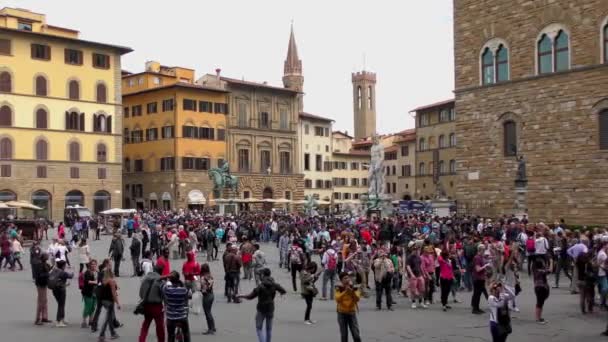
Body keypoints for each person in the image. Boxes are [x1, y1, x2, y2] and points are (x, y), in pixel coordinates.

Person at [238, 268, 286, 342]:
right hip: (270, 308)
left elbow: (250, 297)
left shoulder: (260, 286)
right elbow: (283, 291)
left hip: (261, 309)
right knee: (269, 329)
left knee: (259, 328)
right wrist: (281, 293)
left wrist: (241, 295)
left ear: (263, 275)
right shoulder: (274, 284)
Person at [138, 265, 165, 342]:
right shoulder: (161, 281)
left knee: (146, 325)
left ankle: (141, 340)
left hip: (146, 305)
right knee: (159, 327)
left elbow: (141, 293)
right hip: (157, 306)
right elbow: (163, 295)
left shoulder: (145, 279)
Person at [162, 271, 191, 342]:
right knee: (186, 333)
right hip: (182, 316)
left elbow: (161, 284)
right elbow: (189, 295)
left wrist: (166, 277)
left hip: (171, 317)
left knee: (170, 335)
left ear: (170, 280)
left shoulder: (167, 289)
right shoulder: (183, 290)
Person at [335, 272, 362, 342]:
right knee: (344, 335)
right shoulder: (339, 288)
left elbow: (357, 298)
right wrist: (345, 292)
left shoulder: (354, 287)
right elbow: (337, 299)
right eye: (345, 278)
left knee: (356, 334)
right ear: (341, 280)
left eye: (348, 278)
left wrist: (351, 292)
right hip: (341, 313)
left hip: (351, 313)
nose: (347, 279)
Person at [48, 259, 73, 327]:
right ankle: (59, 321)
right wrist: (71, 271)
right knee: (61, 305)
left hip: (54, 289)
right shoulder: (62, 272)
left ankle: (62, 319)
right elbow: (71, 276)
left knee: (60, 304)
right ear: (63, 266)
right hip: (61, 289)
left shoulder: (54, 270)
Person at [98, 268, 121, 341]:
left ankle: (113, 333)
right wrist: (118, 303)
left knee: (110, 317)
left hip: (103, 300)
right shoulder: (111, 281)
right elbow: (114, 293)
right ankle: (101, 335)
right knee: (107, 318)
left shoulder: (104, 280)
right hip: (109, 301)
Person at [406, 242, 427, 309]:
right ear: (412, 250)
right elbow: (408, 266)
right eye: (415, 250)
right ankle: (413, 302)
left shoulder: (418, 257)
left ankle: (421, 302)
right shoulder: (409, 257)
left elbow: (420, 266)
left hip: (419, 274)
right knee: (413, 290)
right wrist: (411, 274)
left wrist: (423, 273)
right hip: (413, 275)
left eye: (417, 250)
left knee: (422, 289)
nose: (416, 251)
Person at [472, 244, 490, 314]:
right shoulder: (477, 258)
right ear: (480, 250)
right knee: (477, 294)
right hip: (477, 278)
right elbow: (478, 269)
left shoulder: (480, 257)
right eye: (483, 250)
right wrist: (485, 266)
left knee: (478, 294)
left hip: (481, 278)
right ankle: (475, 309)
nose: (484, 251)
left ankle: (477, 308)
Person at [34, 253, 51, 325]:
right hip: (40, 284)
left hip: (44, 284)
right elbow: (40, 275)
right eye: (47, 256)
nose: (48, 257)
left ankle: (44, 317)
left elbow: (48, 269)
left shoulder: (45, 264)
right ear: (44, 258)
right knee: (41, 301)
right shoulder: (39, 265)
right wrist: (48, 274)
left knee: (45, 300)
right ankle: (37, 319)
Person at [200, 263, 216, 335]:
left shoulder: (203, 278)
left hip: (206, 296)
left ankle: (210, 329)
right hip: (211, 295)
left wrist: (200, 290)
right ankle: (213, 327)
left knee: (207, 313)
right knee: (209, 311)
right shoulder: (210, 276)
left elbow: (204, 289)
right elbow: (210, 286)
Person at [532, 258, 549, 324]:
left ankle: (539, 317)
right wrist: (551, 261)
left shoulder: (535, 270)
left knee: (540, 303)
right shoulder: (541, 271)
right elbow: (549, 270)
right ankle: (537, 318)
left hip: (538, 288)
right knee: (540, 303)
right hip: (541, 288)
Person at [81, 259, 98, 328]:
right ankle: (84, 321)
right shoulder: (87, 272)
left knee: (93, 307)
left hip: (96, 292)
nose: (93, 265)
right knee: (88, 307)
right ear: (90, 265)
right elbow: (87, 281)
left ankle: (91, 320)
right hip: (88, 292)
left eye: (94, 264)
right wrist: (96, 282)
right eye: (92, 264)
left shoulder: (97, 272)